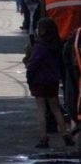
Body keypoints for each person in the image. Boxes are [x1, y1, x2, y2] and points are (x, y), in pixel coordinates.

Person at [38, 0, 81, 123]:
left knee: (59, 81)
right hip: (76, 45)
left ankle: (65, 114)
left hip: (55, 46)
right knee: (75, 82)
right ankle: (75, 113)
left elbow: (42, 24)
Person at [26, 18, 74, 149]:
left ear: (43, 31)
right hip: (52, 81)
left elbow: (33, 64)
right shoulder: (56, 46)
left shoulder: (39, 47)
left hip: (39, 81)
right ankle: (66, 135)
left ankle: (43, 138)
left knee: (41, 110)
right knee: (56, 109)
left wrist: (29, 77)